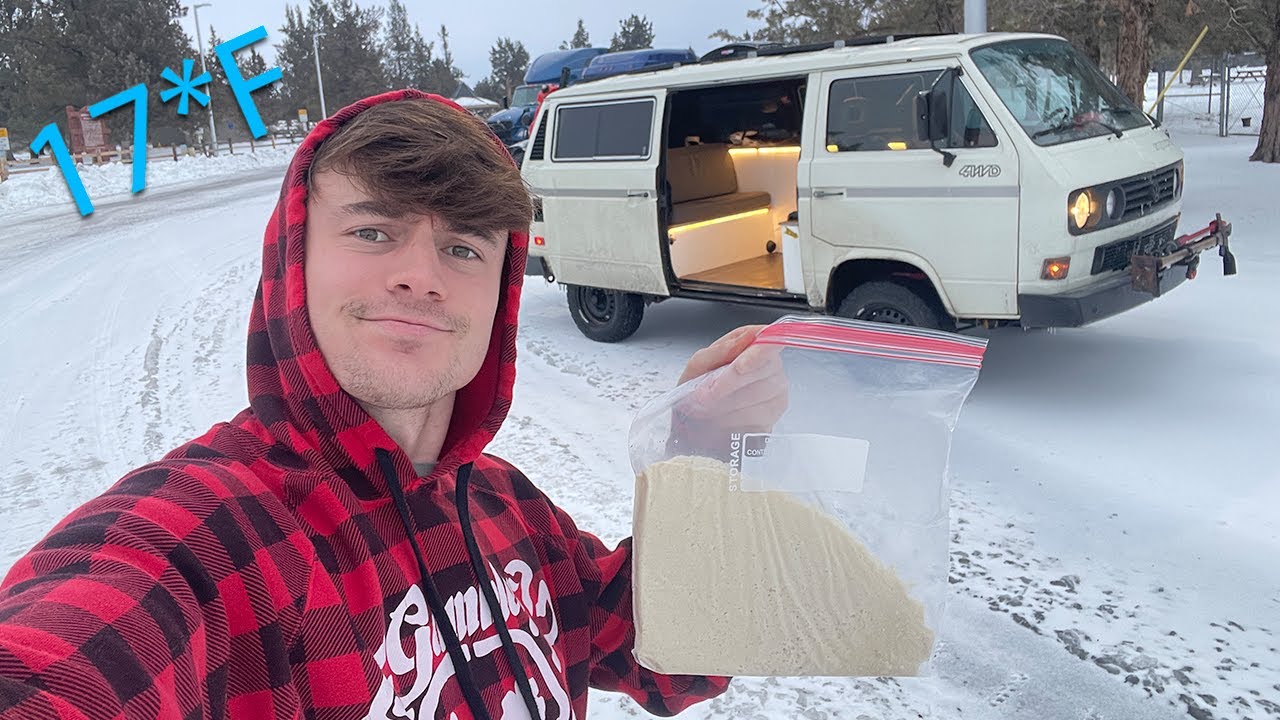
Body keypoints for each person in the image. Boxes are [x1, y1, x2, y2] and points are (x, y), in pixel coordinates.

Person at [0, 89, 787, 719]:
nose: (421, 275)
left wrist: (709, 453)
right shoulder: (207, 542)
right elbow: (66, 659)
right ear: (294, 261)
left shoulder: (509, 508)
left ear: (500, 296)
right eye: (375, 231)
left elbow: (669, 659)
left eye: (462, 246)